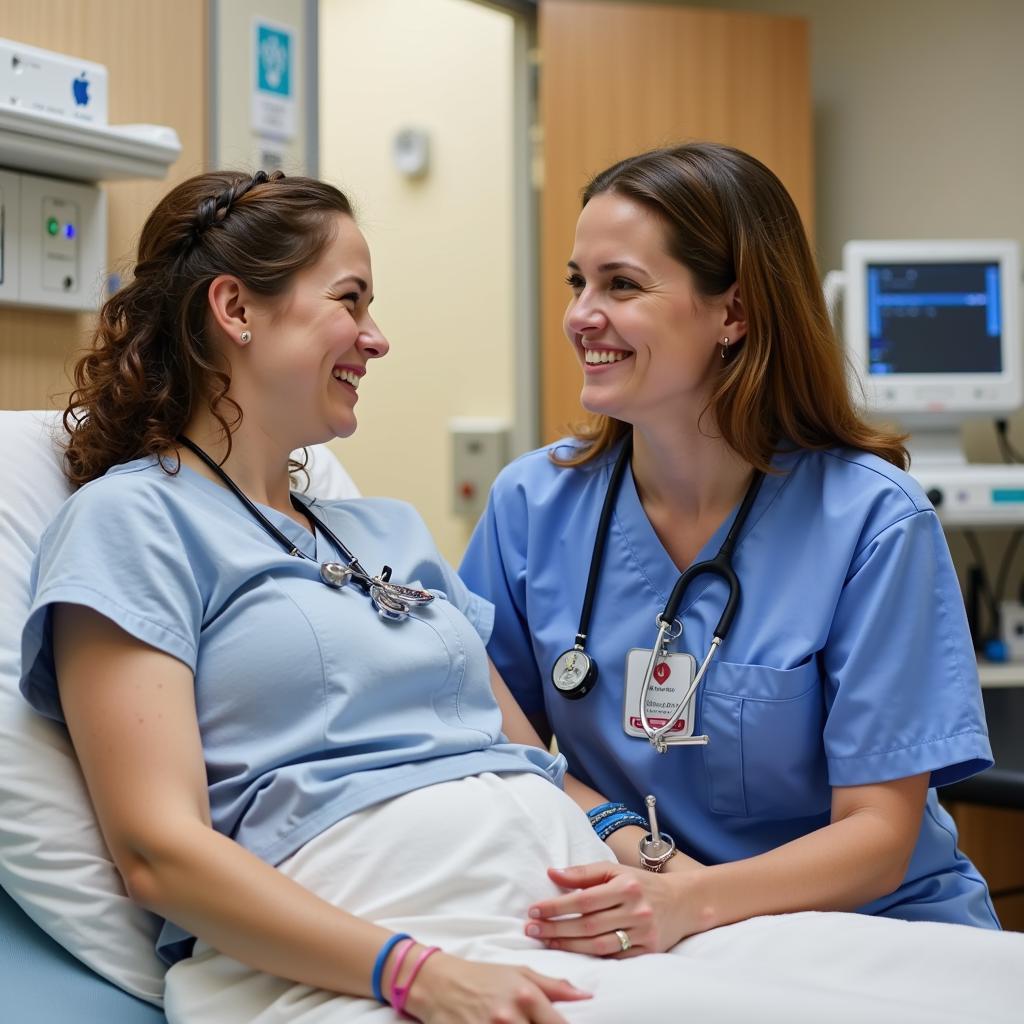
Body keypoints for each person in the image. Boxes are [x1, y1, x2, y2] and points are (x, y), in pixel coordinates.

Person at [17, 168, 1022, 1024]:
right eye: (353, 300)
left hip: (660, 916)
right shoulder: (136, 522)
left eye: (620, 284)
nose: (378, 339)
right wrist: (425, 963)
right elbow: (158, 846)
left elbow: (516, 755)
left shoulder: (384, 533)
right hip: (465, 928)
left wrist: (653, 878)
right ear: (234, 311)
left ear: (734, 312)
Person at [460, 141, 1002, 957]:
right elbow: (486, 736)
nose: (580, 315)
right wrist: (618, 836)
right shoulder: (532, 507)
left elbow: (877, 836)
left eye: (622, 284)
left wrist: (688, 898)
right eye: (579, 282)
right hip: (648, 923)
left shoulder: (869, 522)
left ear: (734, 313)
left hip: (872, 932)